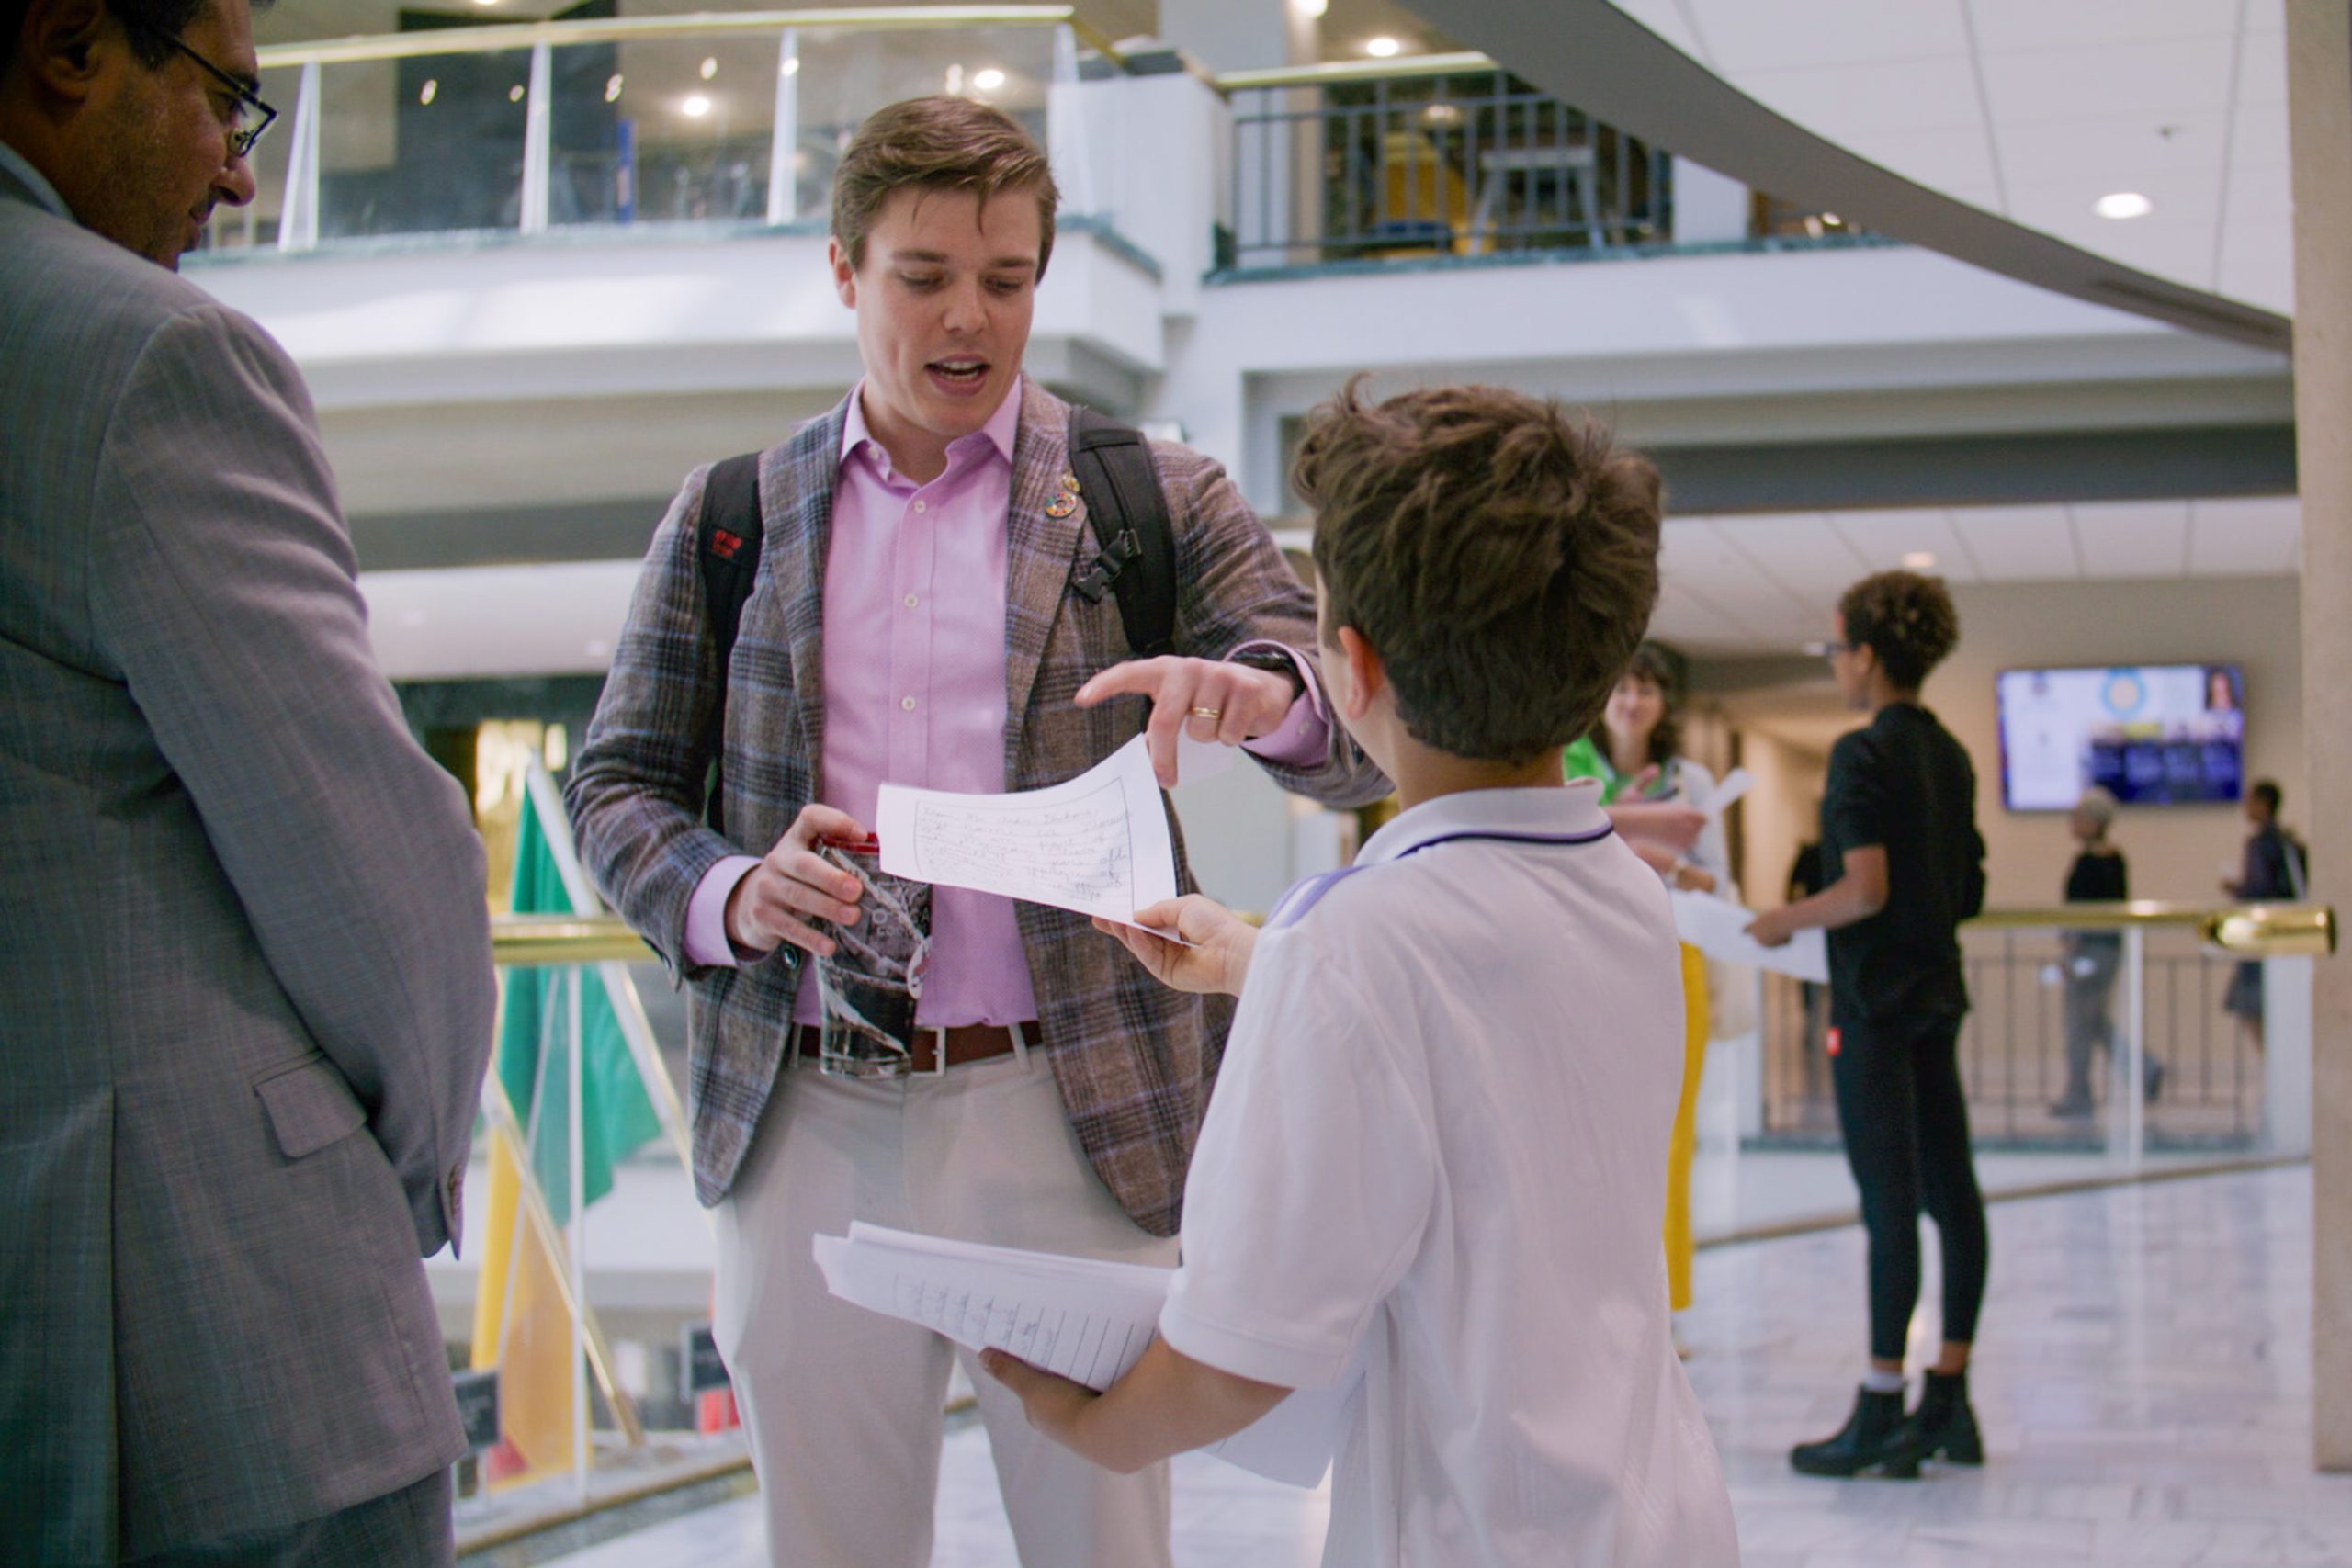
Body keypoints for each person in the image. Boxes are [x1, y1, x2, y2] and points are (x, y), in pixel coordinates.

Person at [564, 96, 1388, 1568]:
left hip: (1069, 1112)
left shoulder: (1151, 492)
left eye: (1006, 280)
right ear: (842, 271)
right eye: (924, 274)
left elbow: (1341, 729)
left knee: (1101, 1540)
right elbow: (617, 782)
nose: (969, 318)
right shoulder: (736, 516)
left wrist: (1258, 695)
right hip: (806, 1110)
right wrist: (734, 890)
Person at [980, 382, 1741, 1567]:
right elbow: (1475, 1021)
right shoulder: (1632, 900)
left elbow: (1236, 1353)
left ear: (1350, 667)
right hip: (1654, 1511)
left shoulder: (1355, 944)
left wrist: (1093, 1426)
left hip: (1473, 1532)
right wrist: (1257, 963)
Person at [0, 1, 499, 1561]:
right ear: (73, 43)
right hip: (203, 1334)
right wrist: (396, 1168)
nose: (234, 176)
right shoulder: (140, 356)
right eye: (229, 102)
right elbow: (369, 863)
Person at [1747, 570, 1988, 1480]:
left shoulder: (1862, 755)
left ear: (1869, 656)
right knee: (1952, 1196)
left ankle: (1881, 1407)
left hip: (1874, 1008)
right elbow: (1963, 890)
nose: (1835, 665)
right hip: (1935, 993)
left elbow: (1863, 889)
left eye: (1836, 648)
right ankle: (1949, 1402)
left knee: (1888, 1204)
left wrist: (1782, 919)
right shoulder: (1950, 755)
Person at [1563, 643, 1733, 1340]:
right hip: (1588, 962)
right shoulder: (1570, 764)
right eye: (1622, 687)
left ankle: (1665, 1309)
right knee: (1589, 1138)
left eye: (1647, 690)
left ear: (1664, 704)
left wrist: (1674, 867)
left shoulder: (1688, 778)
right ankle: (1599, 1303)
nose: (1632, 701)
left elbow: (1717, 876)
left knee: (1672, 1138)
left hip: (1671, 956)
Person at [2050, 786, 2160, 1118]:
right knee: (2093, 1021)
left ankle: (2080, 1092)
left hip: (2090, 951)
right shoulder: (2114, 860)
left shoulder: (2090, 863)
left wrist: (2072, 947)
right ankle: (2144, 1069)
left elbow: (2082, 912)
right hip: (2106, 950)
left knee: (2080, 1023)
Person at [2222, 778, 2308, 1054]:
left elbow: (2258, 889)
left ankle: (2276, 1069)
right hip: (2287, 936)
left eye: (2250, 801)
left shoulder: (2261, 844)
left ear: (2264, 804)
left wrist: (2237, 889)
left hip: (2265, 937)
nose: (2246, 807)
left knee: (2255, 1010)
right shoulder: (2287, 841)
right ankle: (2280, 1069)